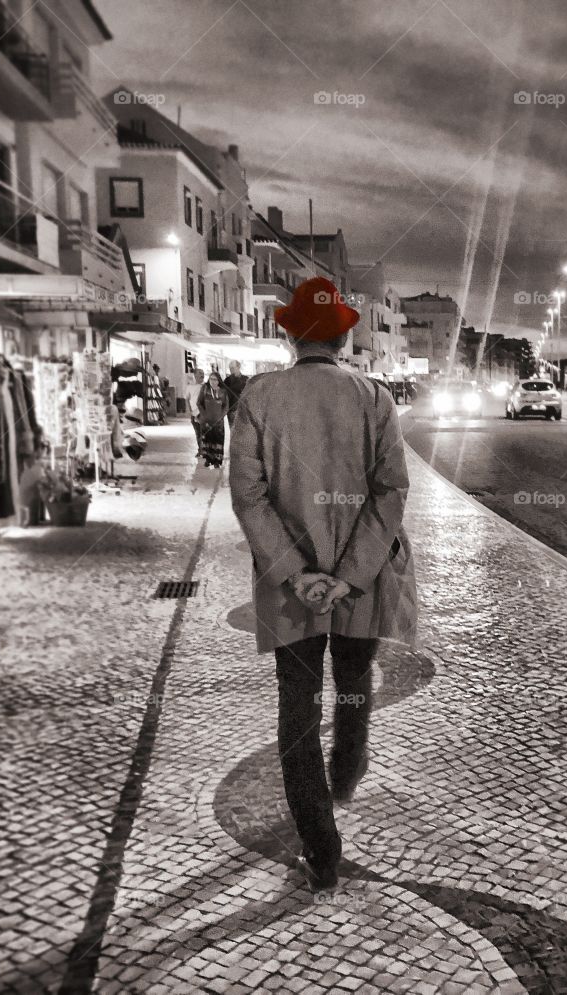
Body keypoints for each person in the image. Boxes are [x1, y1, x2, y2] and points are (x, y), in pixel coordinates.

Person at [229, 276, 418, 895]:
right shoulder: (374, 398)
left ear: (288, 334)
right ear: (344, 336)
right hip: (358, 586)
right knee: (355, 683)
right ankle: (348, 773)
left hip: (289, 592)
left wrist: (299, 574)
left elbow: (248, 496)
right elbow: (392, 491)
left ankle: (320, 845)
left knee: (297, 710)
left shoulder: (258, 397)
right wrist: (347, 577)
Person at [196, 371, 229, 467]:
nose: (213, 381)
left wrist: (221, 416)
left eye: (215, 379)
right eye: (211, 379)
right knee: (207, 439)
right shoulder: (205, 389)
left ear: (219, 381)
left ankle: (217, 461)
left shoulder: (223, 391)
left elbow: (226, 406)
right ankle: (208, 459)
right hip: (206, 421)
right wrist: (204, 415)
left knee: (217, 440)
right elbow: (199, 403)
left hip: (218, 422)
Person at [184, 368, 206, 457]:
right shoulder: (190, 387)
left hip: (203, 413)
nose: (202, 375)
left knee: (204, 432)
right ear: (195, 375)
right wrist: (189, 411)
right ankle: (199, 450)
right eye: (200, 373)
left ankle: (205, 450)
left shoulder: (206, 386)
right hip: (194, 413)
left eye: (203, 373)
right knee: (197, 432)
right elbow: (187, 399)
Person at [222, 360, 249, 427]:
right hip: (232, 411)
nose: (231, 370)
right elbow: (224, 396)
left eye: (233, 368)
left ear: (239, 367)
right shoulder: (227, 380)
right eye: (230, 368)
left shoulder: (246, 379)